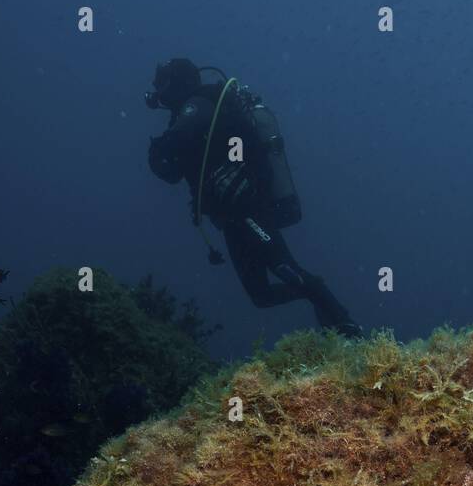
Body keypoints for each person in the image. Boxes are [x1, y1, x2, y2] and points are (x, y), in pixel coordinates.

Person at [145, 58, 362, 337]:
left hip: (247, 207)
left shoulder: (196, 105)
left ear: (178, 82)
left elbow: (176, 139)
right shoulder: (189, 114)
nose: (158, 91)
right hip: (228, 218)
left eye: (162, 83)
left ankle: (345, 324)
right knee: (260, 295)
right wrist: (158, 159)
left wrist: (157, 148)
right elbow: (174, 171)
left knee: (285, 267)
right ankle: (316, 295)